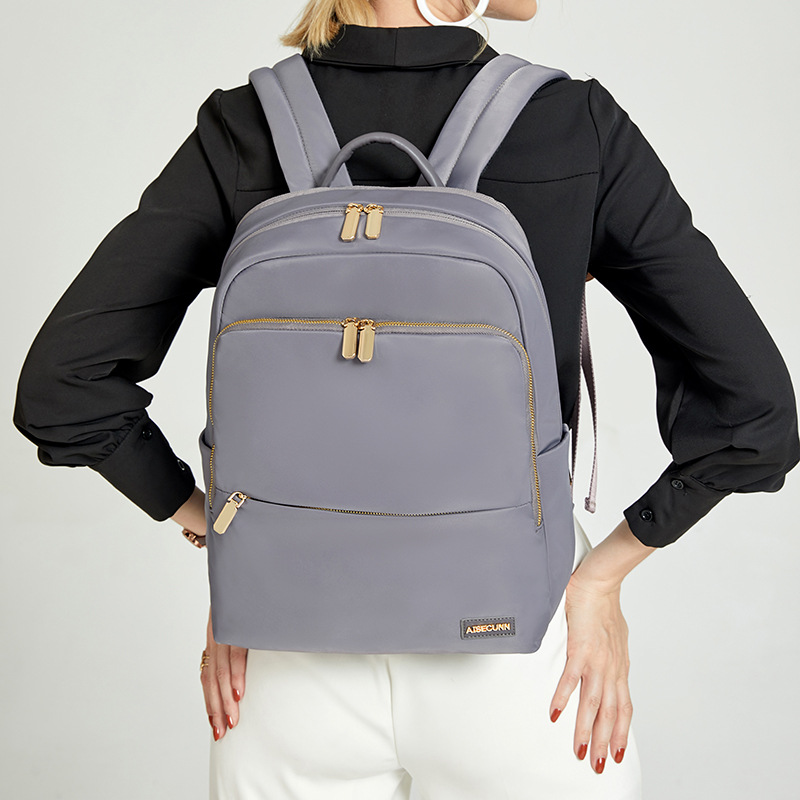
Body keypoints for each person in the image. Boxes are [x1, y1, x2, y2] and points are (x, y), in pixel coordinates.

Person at [12, 0, 800, 797]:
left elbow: (63, 384)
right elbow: (756, 410)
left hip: (285, 655)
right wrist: (600, 578)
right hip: (519, 650)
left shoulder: (244, 126)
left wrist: (227, 535)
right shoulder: (573, 125)